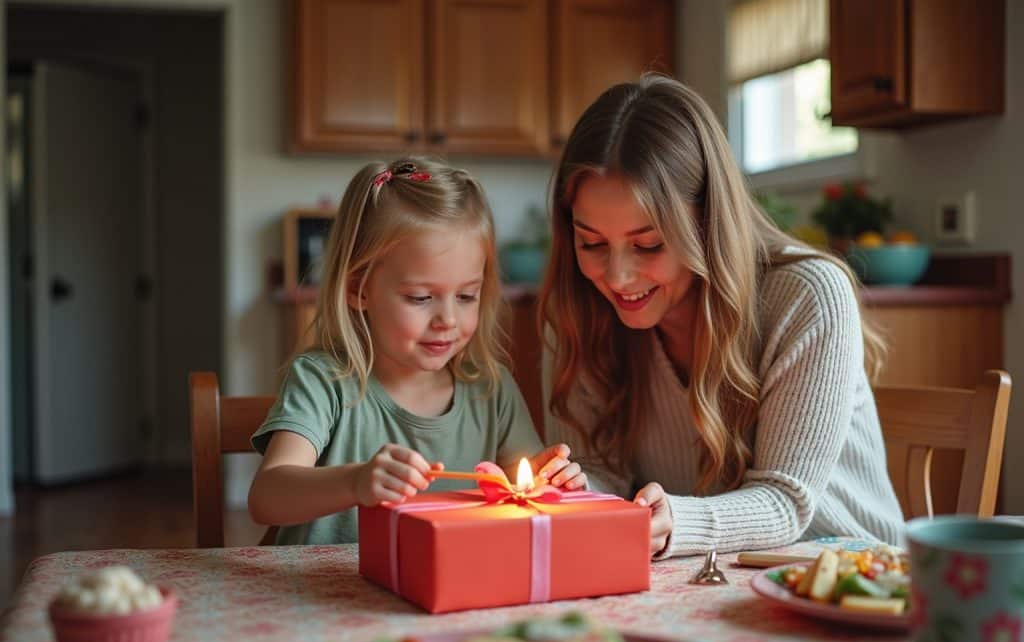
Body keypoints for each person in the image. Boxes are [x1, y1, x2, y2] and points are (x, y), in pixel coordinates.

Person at [538, 75, 904, 559]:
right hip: (706, 580)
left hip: (852, 575)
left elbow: (786, 501)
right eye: (592, 243)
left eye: (648, 244)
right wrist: (580, 488)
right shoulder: (580, 308)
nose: (619, 276)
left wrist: (673, 522)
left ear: (708, 222)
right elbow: (600, 469)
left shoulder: (808, 295)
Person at [249, 158, 584, 545]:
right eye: (421, 297)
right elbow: (266, 497)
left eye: (466, 296)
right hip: (325, 599)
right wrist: (355, 482)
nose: (447, 319)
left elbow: (523, 491)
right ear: (359, 290)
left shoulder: (492, 390)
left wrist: (553, 480)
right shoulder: (323, 381)